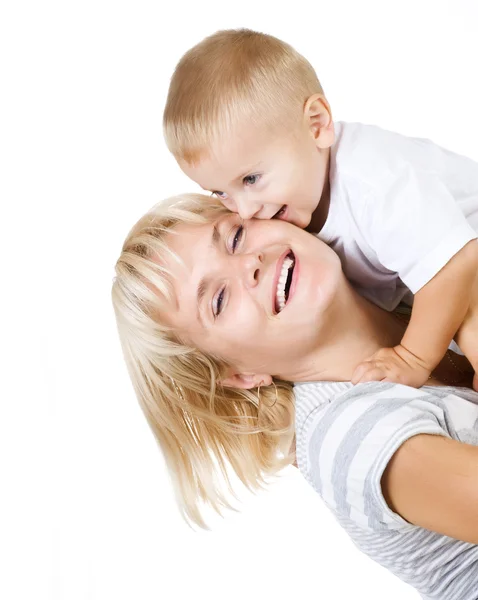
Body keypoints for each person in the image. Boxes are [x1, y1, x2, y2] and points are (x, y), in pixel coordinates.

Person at [112, 193, 478, 600]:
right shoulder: (345, 437)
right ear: (240, 374)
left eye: (234, 237)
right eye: (218, 300)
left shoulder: (420, 280)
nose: (248, 264)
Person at [163, 28, 478, 390]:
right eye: (221, 192)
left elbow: (455, 264)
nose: (245, 210)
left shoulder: (371, 180)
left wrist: (412, 358)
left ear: (317, 124)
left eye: (251, 179)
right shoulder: (300, 202)